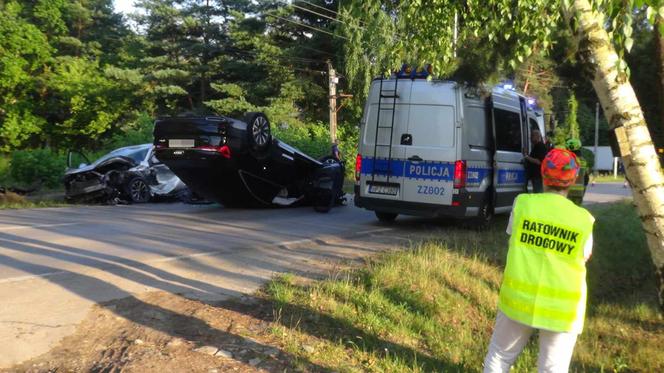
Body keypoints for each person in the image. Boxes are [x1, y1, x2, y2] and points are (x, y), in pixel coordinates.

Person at [483, 148, 595, 373]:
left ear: (543, 174)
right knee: (553, 368)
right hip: (563, 309)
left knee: (500, 356)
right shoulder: (584, 220)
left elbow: (512, 232)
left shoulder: (523, 204)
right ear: (573, 179)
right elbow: (585, 256)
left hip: (518, 300)